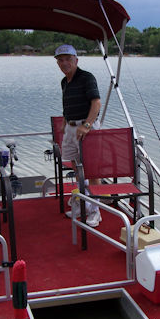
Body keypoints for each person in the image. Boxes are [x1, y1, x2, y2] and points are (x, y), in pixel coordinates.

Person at [54, 44, 102, 227]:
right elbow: (67, 104)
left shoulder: (87, 78)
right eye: (60, 60)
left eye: (68, 59)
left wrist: (87, 125)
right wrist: (65, 123)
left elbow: (96, 103)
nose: (64, 63)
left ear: (76, 60)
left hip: (86, 128)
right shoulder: (64, 82)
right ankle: (85, 205)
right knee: (77, 170)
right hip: (71, 128)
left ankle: (96, 211)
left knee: (93, 171)